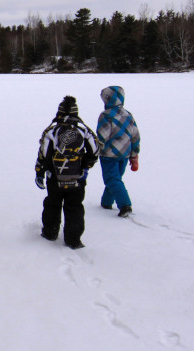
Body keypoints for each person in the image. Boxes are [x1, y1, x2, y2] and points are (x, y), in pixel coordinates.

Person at [35, 96, 100, 249]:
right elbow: (95, 150)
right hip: (77, 177)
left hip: (54, 177)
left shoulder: (52, 130)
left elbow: (43, 154)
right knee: (75, 206)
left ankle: (50, 232)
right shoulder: (84, 130)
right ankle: (73, 239)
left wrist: (39, 172)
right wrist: (86, 166)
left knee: (52, 204)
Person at [96, 86, 141, 218]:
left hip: (109, 154)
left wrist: (95, 150)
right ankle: (106, 202)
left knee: (112, 179)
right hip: (125, 153)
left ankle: (125, 205)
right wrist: (134, 154)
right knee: (116, 178)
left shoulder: (106, 115)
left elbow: (102, 136)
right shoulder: (128, 115)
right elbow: (135, 136)